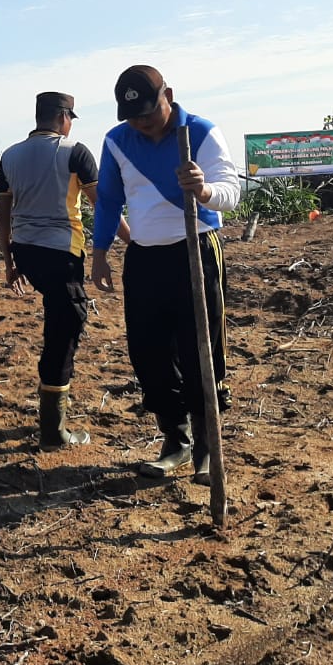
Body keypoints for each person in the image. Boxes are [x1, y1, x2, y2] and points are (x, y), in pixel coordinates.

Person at [90, 66, 240, 484]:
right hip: (145, 257)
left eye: (149, 113)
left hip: (196, 250)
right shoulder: (117, 142)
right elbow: (107, 200)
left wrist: (205, 190)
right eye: (133, 117)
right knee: (148, 352)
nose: (142, 123)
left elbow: (231, 189)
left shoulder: (201, 132)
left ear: (168, 96)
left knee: (201, 350)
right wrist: (100, 252)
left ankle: (208, 449)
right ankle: (176, 439)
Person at [0, 92, 130, 451]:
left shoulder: (10, 156)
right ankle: (54, 432)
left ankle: (50, 419)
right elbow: (102, 205)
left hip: (25, 253)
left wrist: (10, 264)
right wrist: (132, 239)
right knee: (64, 330)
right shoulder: (74, 151)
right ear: (62, 116)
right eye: (71, 117)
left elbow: (2, 214)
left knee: (58, 321)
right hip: (61, 253)